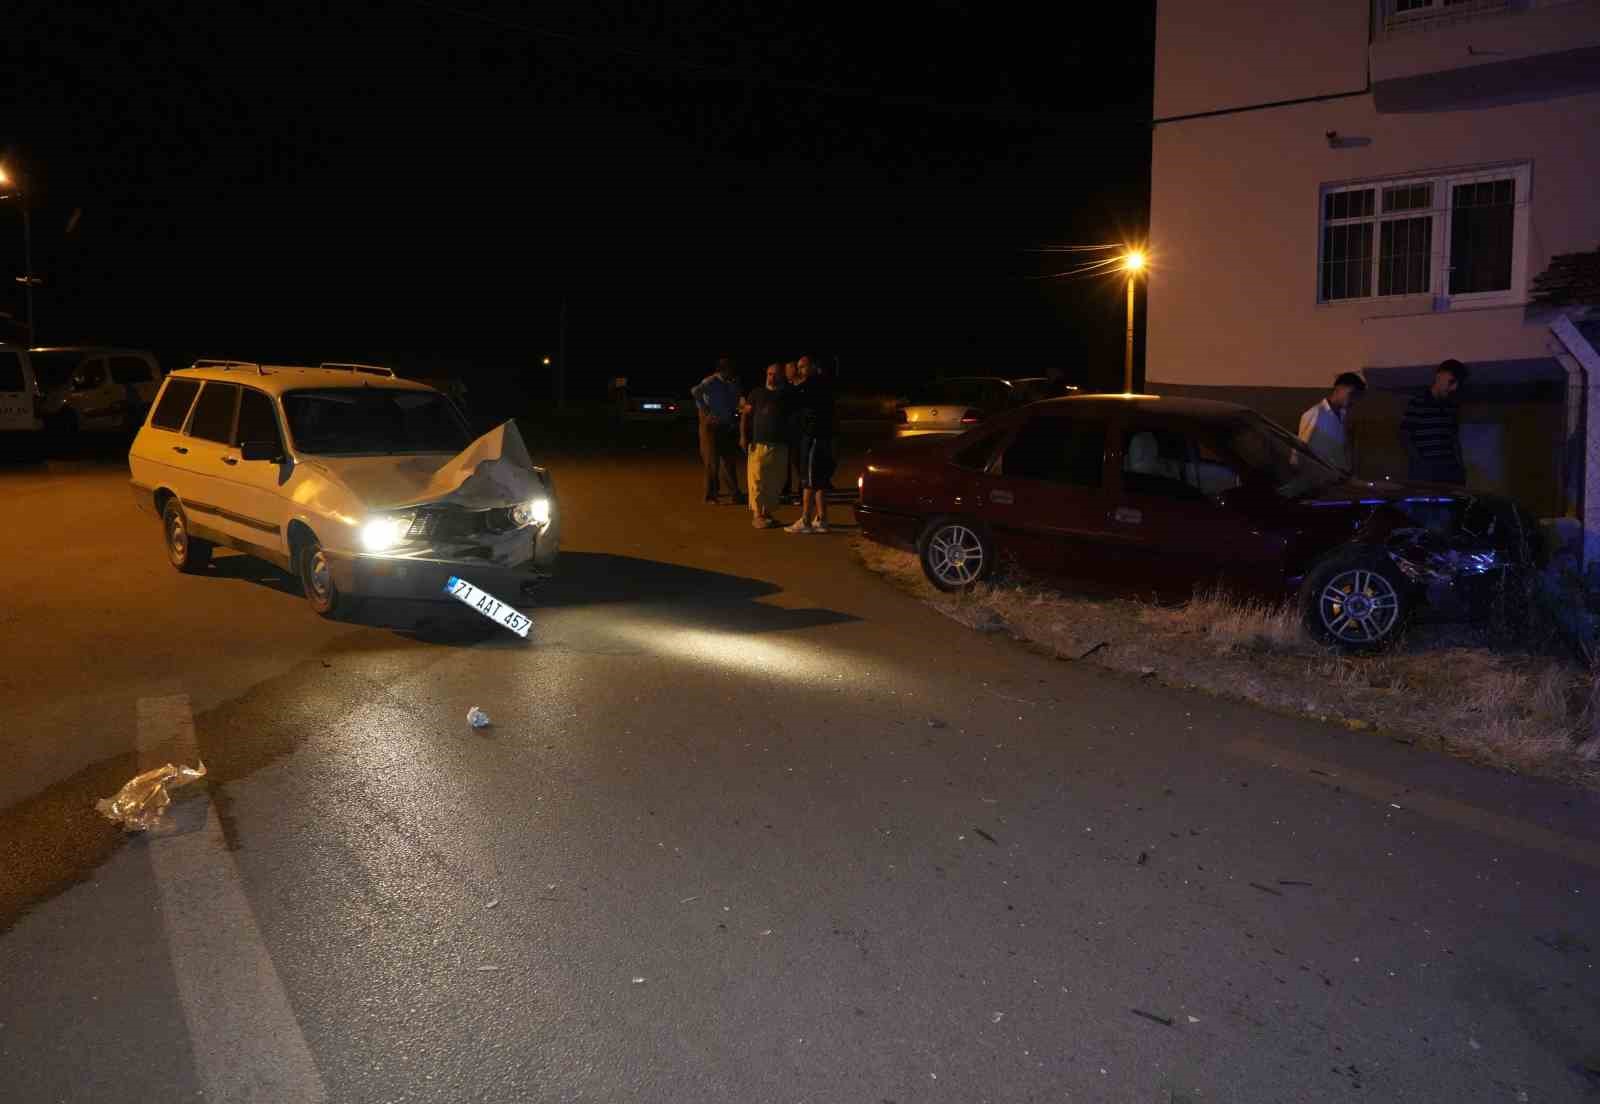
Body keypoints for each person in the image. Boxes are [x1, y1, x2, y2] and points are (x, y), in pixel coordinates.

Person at [787, 355, 837, 534]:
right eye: (798, 367)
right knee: (819, 480)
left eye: (802, 367)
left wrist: (794, 381)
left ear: (813, 366)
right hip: (822, 437)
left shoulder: (812, 384)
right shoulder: (823, 383)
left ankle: (805, 519)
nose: (799, 370)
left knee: (807, 480)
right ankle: (822, 519)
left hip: (814, 438)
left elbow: (793, 400)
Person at [1401, 359, 1469, 485]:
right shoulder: (1417, 402)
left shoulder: (1451, 406)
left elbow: (1454, 439)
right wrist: (1420, 464)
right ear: (1439, 376)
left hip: (1450, 470)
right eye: (1451, 381)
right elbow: (1405, 436)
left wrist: (1460, 468)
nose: (1454, 388)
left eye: (1457, 384)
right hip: (1426, 471)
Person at [741, 362, 790, 529]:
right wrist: (743, 436)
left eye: (775, 374)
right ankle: (757, 515)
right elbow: (745, 416)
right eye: (769, 373)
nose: (771, 377)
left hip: (780, 444)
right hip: (759, 443)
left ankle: (767, 513)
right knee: (757, 479)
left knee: (775, 481)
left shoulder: (786, 394)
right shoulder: (756, 393)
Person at [691, 357, 746, 504]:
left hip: (727, 425)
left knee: (729, 460)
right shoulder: (710, 381)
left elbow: (738, 398)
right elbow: (695, 392)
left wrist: (740, 407)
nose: (733, 373)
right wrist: (706, 411)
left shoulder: (733, 382)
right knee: (712, 461)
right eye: (730, 371)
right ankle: (710, 495)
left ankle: (735, 492)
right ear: (723, 370)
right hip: (711, 426)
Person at [1297, 371, 1365, 472]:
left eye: (1356, 397)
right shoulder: (1315, 413)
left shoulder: (1343, 417)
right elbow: (1298, 452)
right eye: (1352, 394)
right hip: (1316, 478)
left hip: (1335, 478)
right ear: (1339, 388)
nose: (1353, 400)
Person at [779, 360, 802, 503]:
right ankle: (785, 491)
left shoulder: (803, 387)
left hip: (800, 431)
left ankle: (801, 491)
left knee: (799, 463)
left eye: (789, 370)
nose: (786, 373)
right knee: (785, 463)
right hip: (787, 431)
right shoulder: (785, 388)